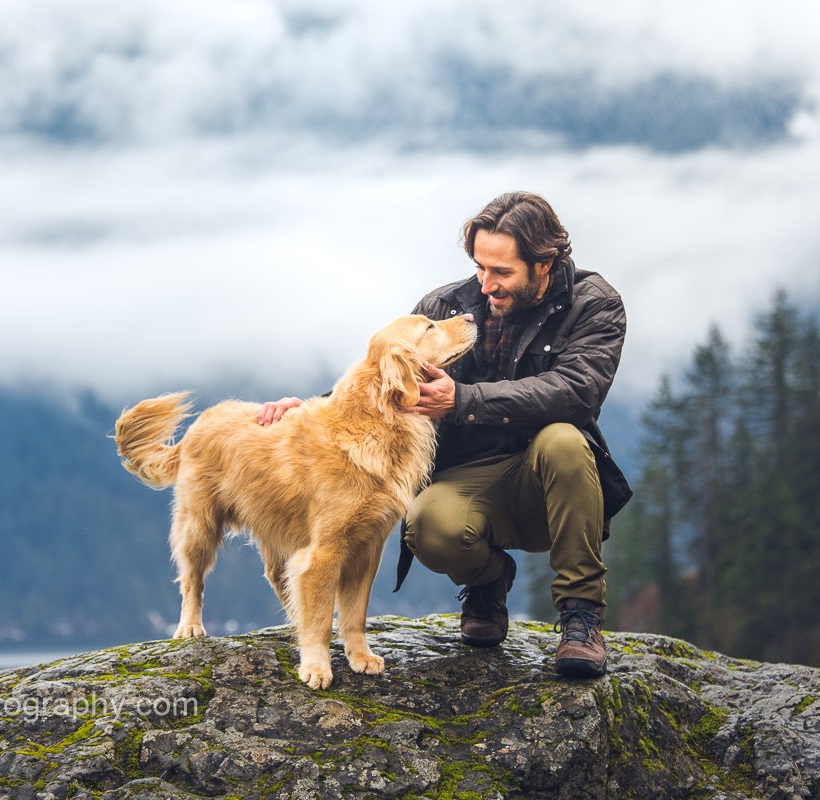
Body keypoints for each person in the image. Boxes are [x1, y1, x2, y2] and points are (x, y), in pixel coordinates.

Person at [258, 191, 631, 678]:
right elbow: (385, 379)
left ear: (544, 263)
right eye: (480, 267)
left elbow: (576, 392)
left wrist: (465, 401)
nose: (486, 284)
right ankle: (487, 583)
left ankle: (580, 618)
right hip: (467, 478)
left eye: (502, 272)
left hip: (554, 485)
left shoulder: (594, 304)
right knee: (428, 526)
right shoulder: (446, 306)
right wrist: (309, 406)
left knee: (562, 439)